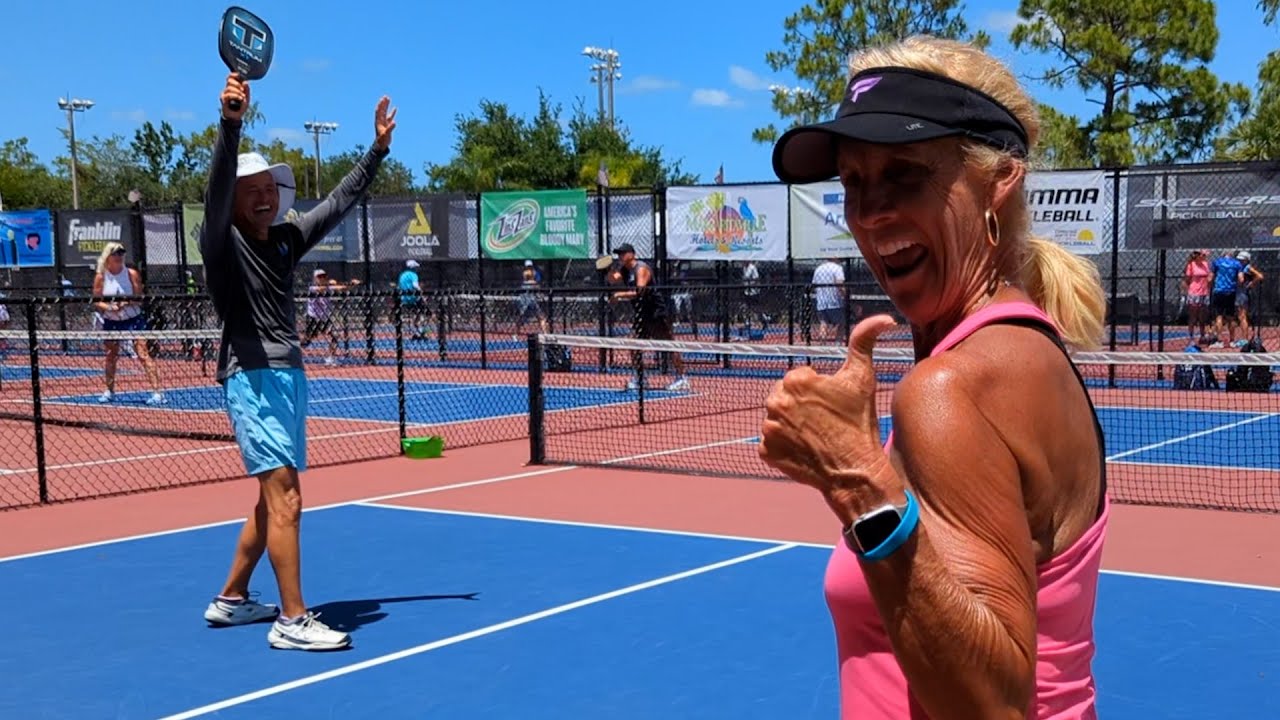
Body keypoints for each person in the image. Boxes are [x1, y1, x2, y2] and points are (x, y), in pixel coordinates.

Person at [761, 35, 1109, 719]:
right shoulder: (1026, 346)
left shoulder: (951, 388)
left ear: (997, 180)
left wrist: (859, 483)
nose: (870, 212)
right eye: (854, 183)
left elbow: (994, 708)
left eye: (905, 175)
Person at [199, 71, 395, 651]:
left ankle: (231, 599)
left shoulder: (284, 239)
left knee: (270, 500)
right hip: (252, 379)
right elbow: (214, 194)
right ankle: (291, 619)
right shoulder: (220, 241)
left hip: (287, 378)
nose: (264, 194)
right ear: (233, 199)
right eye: (251, 186)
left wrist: (377, 151)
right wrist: (231, 124)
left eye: (269, 186)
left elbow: (338, 203)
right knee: (287, 497)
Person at [91, 243, 164, 405]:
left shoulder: (131, 274)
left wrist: (125, 303)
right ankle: (109, 391)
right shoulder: (101, 277)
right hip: (112, 321)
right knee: (111, 355)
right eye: (116, 253)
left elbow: (139, 297)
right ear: (108, 256)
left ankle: (158, 393)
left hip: (133, 319)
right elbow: (97, 302)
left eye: (121, 253)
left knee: (143, 353)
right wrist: (110, 307)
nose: (119, 256)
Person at [609, 243, 689, 391]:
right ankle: (641, 379)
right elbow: (613, 279)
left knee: (669, 345)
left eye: (622, 253)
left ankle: (682, 378)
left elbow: (640, 291)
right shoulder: (624, 270)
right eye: (618, 254)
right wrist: (605, 268)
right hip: (642, 313)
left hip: (656, 312)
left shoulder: (641, 268)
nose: (620, 256)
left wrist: (619, 295)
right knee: (634, 344)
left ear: (632, 254)